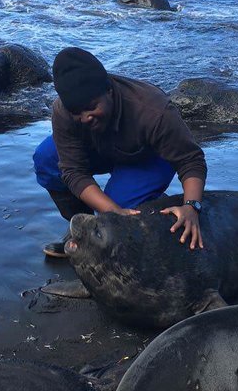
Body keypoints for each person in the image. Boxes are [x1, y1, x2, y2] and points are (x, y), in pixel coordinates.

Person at [33, 47, 206, 258]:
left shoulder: (153, 109)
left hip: (149, 157)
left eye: (91, 106)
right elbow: (72, 171)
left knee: (121, 210)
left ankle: (153, 201)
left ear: (109, 91)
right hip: (101, 150)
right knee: (46, 158)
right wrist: (110, 212)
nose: (86, 117)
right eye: (77, 112)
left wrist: (191, 206)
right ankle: (83, 233)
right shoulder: (63, 111)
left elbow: (191, 161)